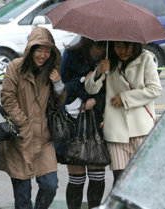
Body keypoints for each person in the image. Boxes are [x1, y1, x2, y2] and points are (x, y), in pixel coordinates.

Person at [0, 27, 65, 209]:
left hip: (44, 139)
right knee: (22, 196)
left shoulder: (52, 70)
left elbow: (61, 101)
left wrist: (58, 83)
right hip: (20, 139)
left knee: (50, 185)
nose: (43, 55)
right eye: (39, 49)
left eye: (48, 50)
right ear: (30, 49)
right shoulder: (15, 67)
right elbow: (7, 98)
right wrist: (23, 123)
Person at [85, 41, 162, 186]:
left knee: (142, 178)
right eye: (119, 47)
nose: (123, 51)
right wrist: (99, 71)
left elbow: (155, 89)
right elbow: (91, 89)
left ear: (135, 45)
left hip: (141, 128)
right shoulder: (108, 61)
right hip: (116, 130)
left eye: (127, 47)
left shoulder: (146, 58)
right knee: (120, 180)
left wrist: (125, 98)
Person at [59, 37, 106, 209]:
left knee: (97, 172)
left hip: (97, 120)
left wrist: (96, 100)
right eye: (96, 47)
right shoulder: (71, 54)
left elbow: (110, 88)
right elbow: (63, 87)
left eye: (102, 47)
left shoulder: (109, 56)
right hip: (74, 119)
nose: (99, 52)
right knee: (76, 174)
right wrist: (82, 81)